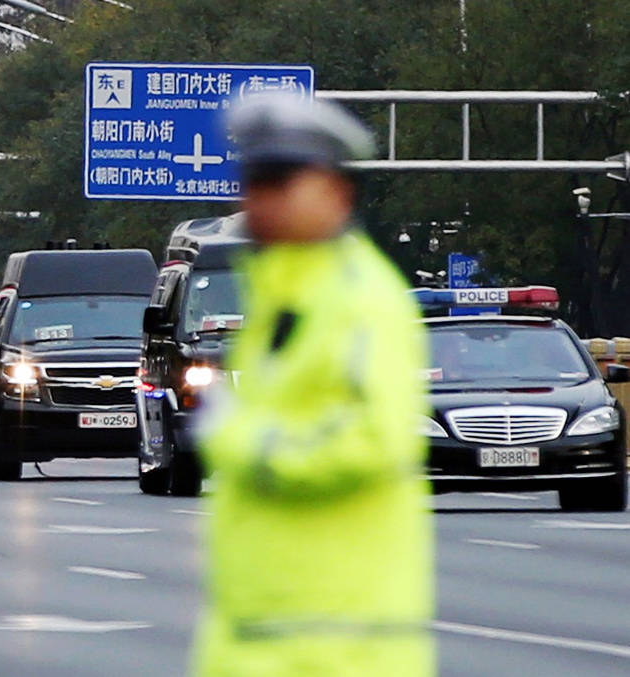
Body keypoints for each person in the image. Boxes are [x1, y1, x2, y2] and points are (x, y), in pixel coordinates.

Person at [194, 94, 432, 677]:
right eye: (254, 181)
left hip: (339, 651)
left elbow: (378, 437)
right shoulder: (279, 295)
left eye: (282, 181)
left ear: (337, 190)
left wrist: (248, 444)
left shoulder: (360, 302)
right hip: (262, 641)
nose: (262, 199)